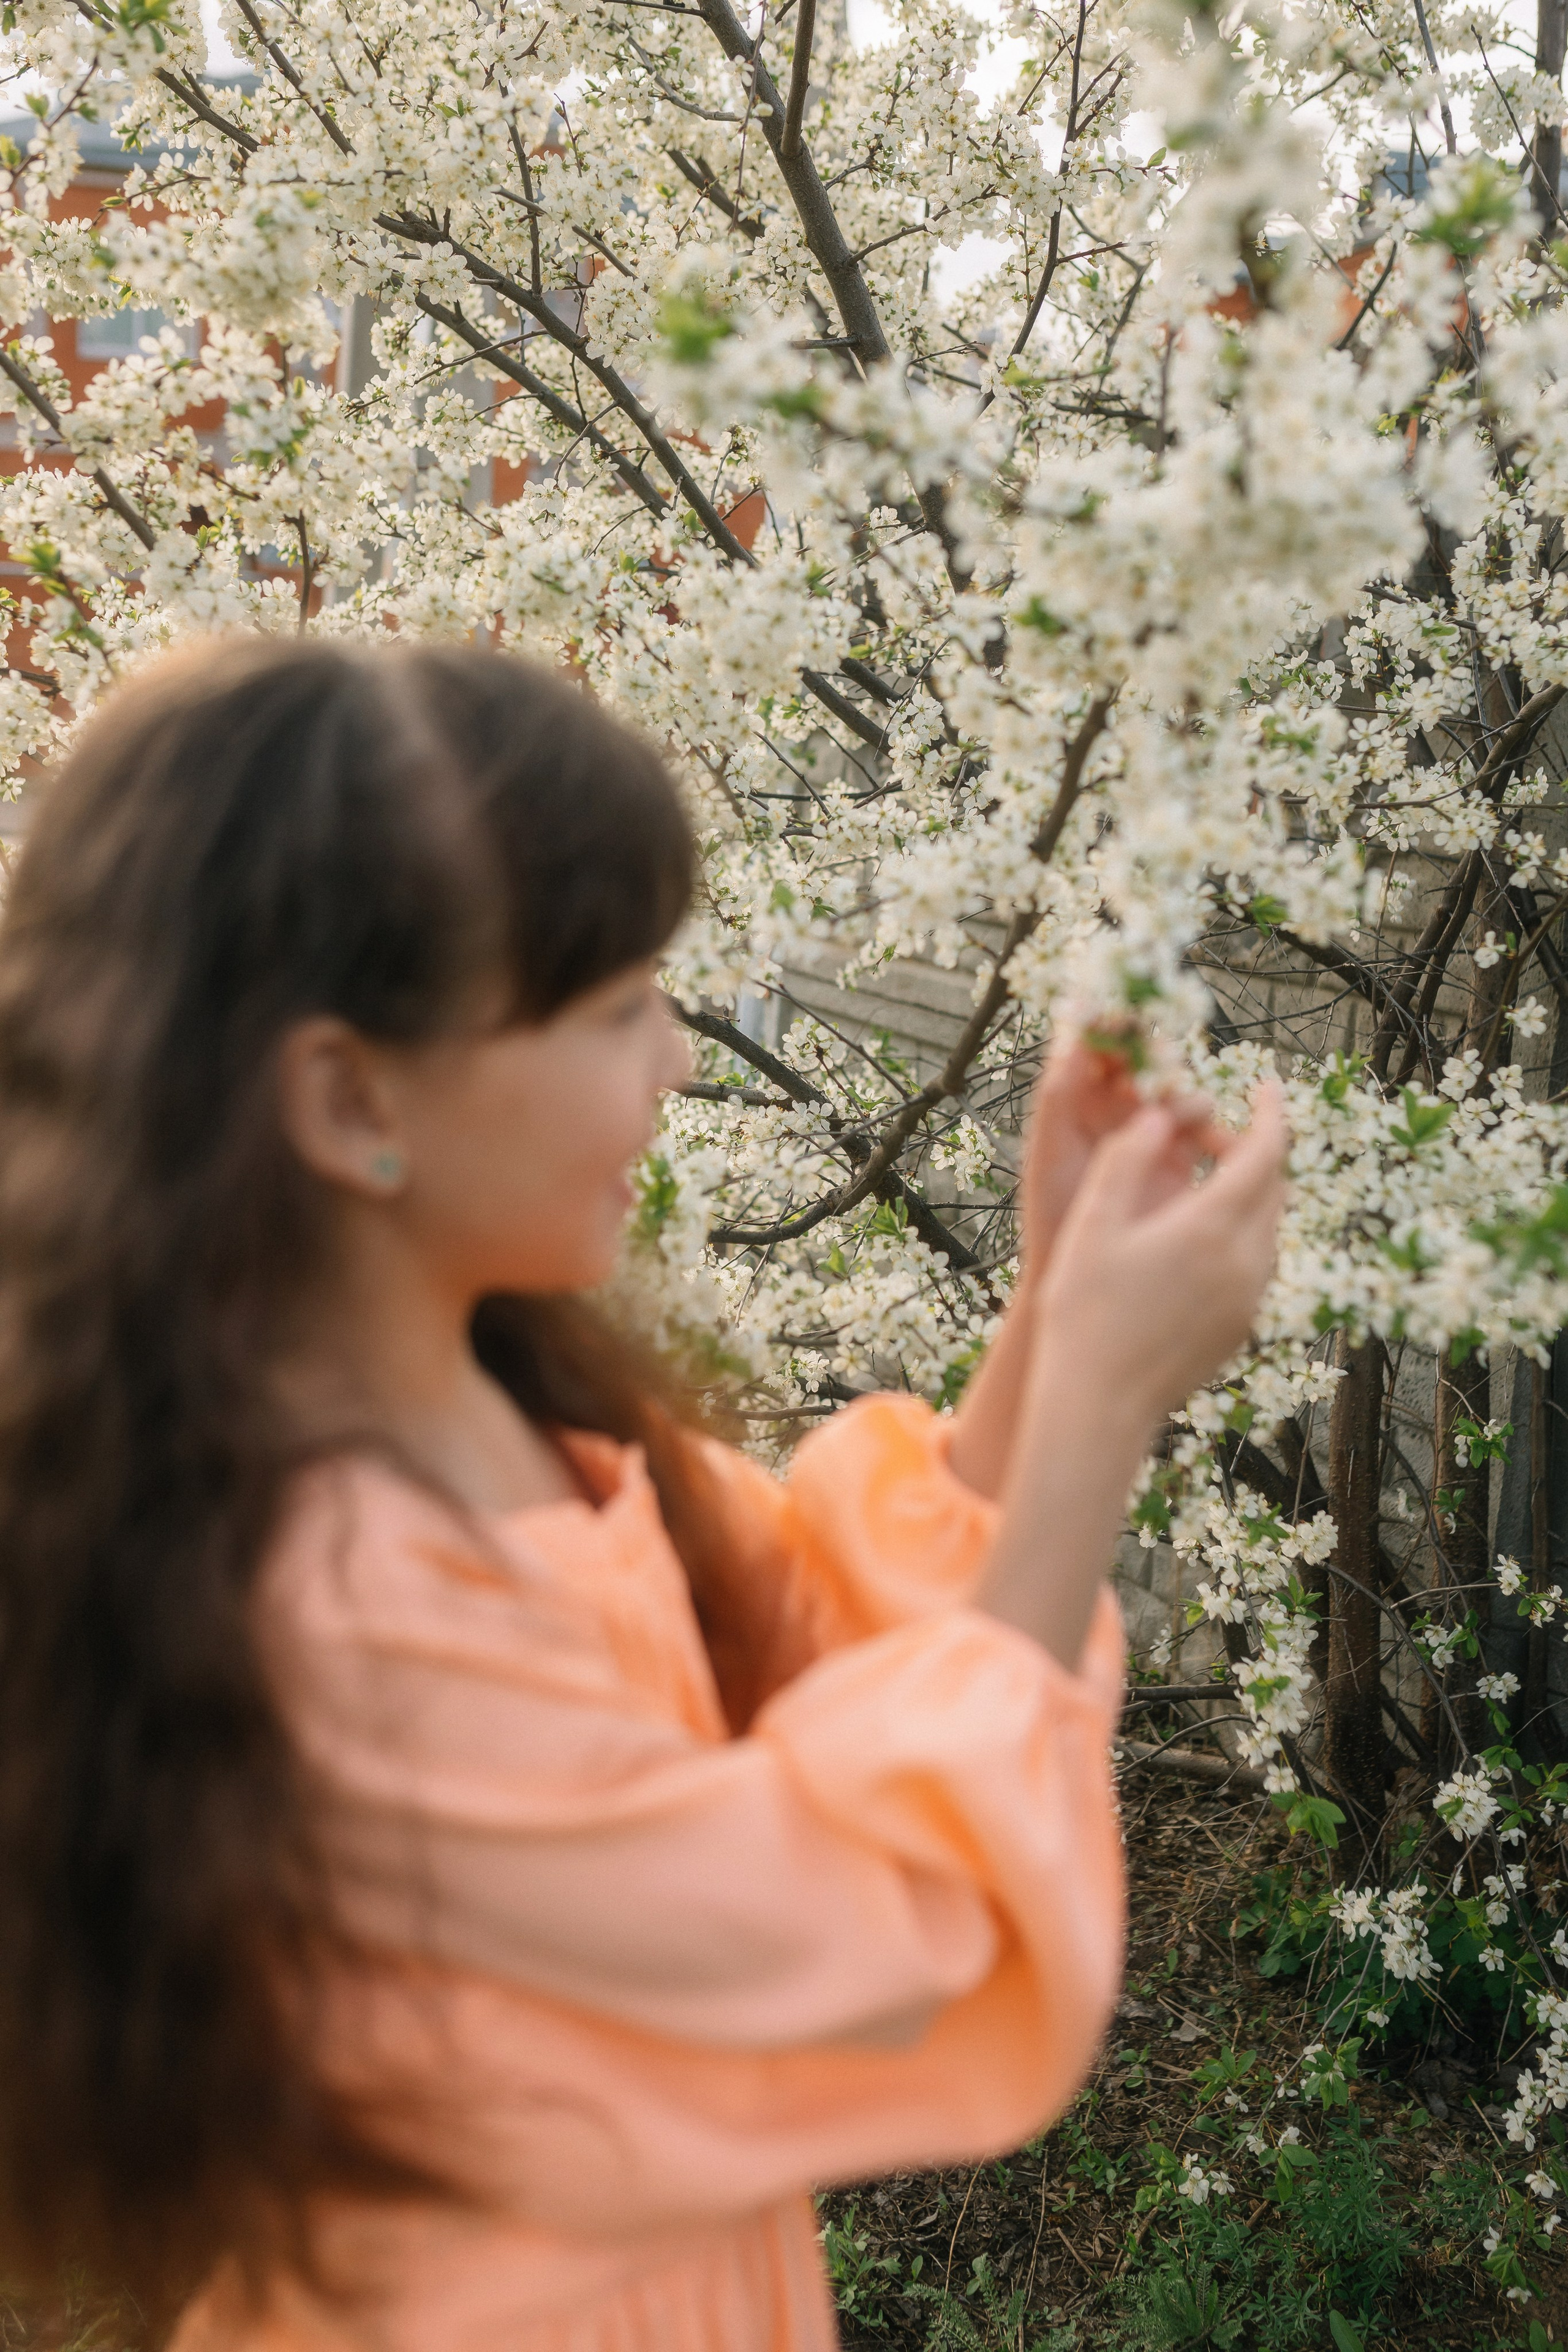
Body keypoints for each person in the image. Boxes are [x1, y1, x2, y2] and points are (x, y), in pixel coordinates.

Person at [0, 636, 1287, 2352]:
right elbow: (839, 1912)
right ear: (347, 1096)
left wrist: (1054, 1313)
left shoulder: (494, 1414)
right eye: (617, 1009)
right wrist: (1108, 1407)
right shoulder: (336, 1602)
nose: (678, 1062)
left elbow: (825, 1650)